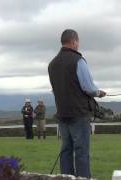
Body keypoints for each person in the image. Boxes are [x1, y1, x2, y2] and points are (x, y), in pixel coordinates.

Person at [48, 29, 106, 178]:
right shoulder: (78, 60)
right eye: (78, 42)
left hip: (62, 113)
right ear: (74, 41)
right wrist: (99, 92)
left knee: (65, 150)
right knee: (81, 152)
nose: (78, 45)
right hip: (79, 113)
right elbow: (88, 88)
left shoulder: (52, 64)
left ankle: (66, 177)